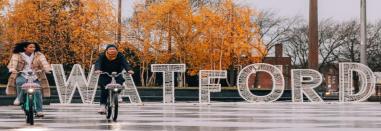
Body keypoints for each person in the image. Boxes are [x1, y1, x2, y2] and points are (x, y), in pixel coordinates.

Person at [6, 41, 52, 117]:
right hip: (22, 74)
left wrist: (47, 69)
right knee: (20, 82)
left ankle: (39, 111)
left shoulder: (39, 55)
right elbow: (14, 63)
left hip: (35, 75)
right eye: (30, 47)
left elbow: (44, 62)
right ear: (25, 48)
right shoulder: (17, 55)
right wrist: (12, 69)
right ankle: (19, 98)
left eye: (34, 47)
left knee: (37, 92)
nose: (33, 48)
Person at [94, 44, 134, 114]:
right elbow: (98, 62)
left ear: (116, 50)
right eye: (110, 49)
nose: (112, 50)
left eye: (113, 49)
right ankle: (102, 106)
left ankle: (117, 95)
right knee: (104, 89)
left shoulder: (120, 55)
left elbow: (125, 63)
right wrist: (97, 69)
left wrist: (129, 70)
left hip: (117, 72)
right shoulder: (102, 55)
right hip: (105, 73)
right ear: (107, 50)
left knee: (120, 82)